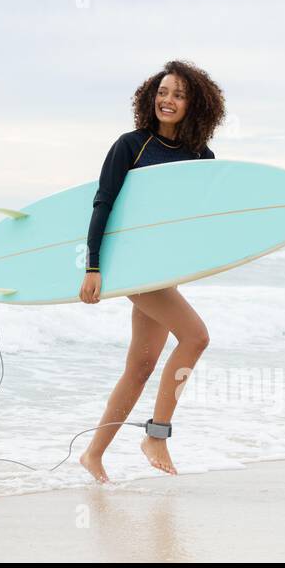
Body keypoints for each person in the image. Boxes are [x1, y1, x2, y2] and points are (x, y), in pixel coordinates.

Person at [77, 60, 225, 482]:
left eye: (178, 94)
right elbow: (103, 203)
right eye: (163, 91)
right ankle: (156, 435)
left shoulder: (202, 157)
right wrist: (94, 267)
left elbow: (197, 219)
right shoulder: (131, 145)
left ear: (194, 104)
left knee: (141, 366)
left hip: (166, 269)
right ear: (150, 96)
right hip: (131, 265)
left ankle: (93, 454)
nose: (168, 100)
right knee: (196, 337)